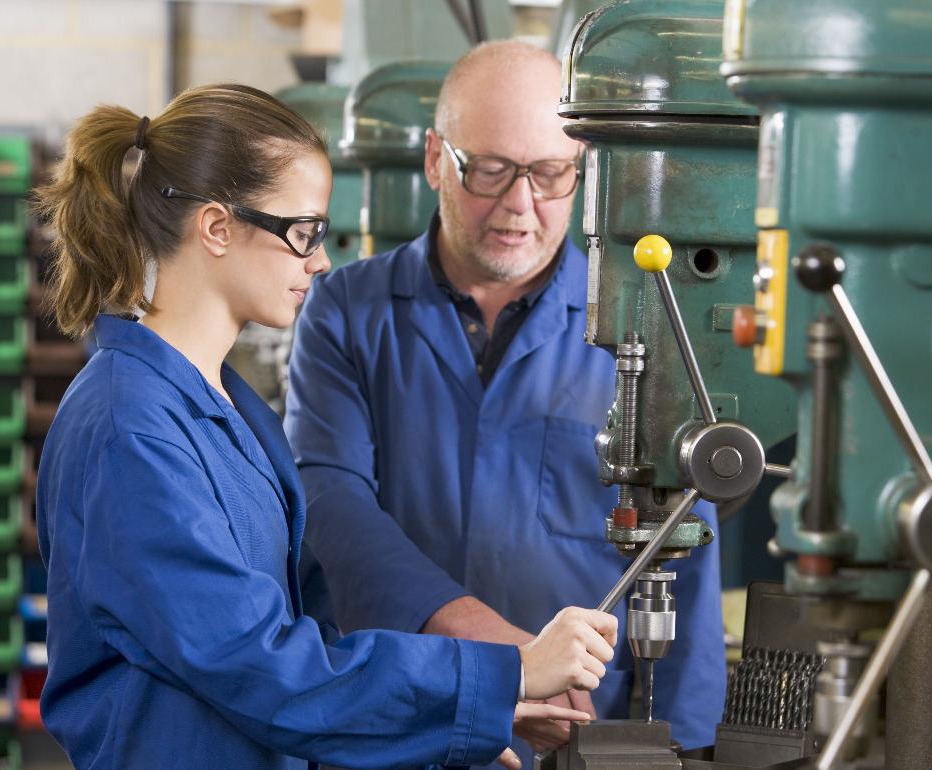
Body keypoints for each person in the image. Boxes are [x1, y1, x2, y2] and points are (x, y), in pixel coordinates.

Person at [32, 83, 620, 770]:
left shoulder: (226, 409)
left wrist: (442, 734)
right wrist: (508, 674)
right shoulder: (128, 428)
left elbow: (303, 651)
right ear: (217, 227)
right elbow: (259, 667)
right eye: (303, 233)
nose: (319, 260)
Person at [285, 41, 726, 766]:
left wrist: (684, 745)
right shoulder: (345, 311)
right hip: (399, 721)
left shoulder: (642, 322)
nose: (519, 206)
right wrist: (512, 661)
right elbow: (330, 504)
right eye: (488, 170)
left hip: (583, 731)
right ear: (435, 159)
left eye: (549, 174)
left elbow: (688, 547)